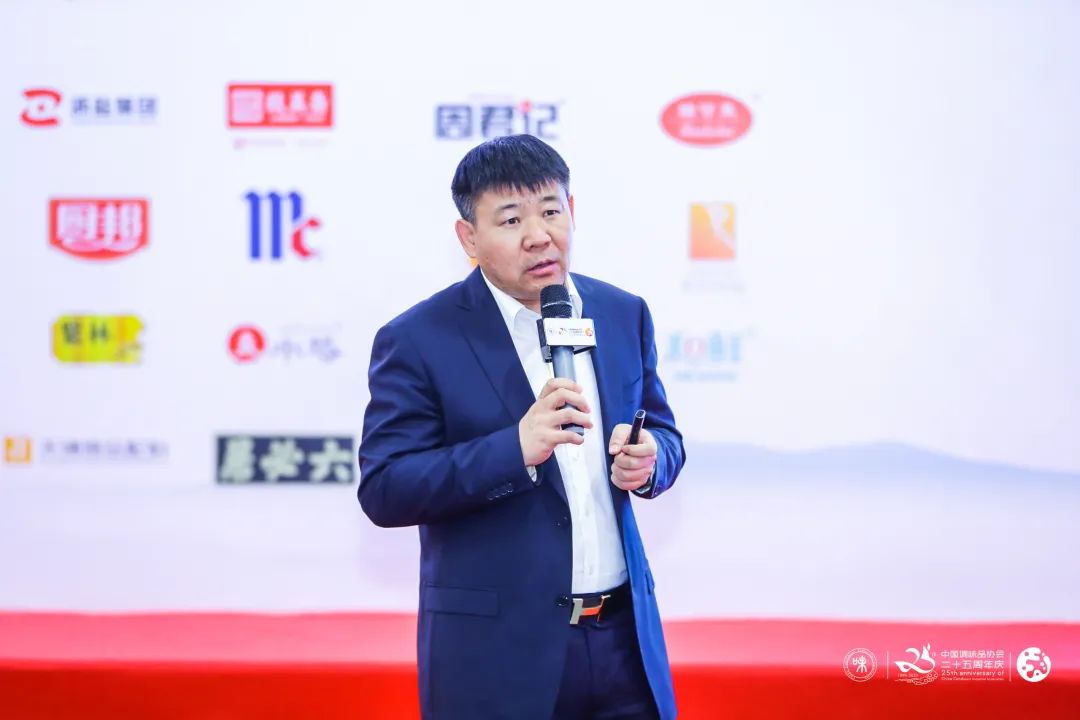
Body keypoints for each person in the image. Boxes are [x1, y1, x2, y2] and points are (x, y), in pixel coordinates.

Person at [358, 134, 685, 720]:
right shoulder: (418, 339)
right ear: (469, 238)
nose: (539, 235)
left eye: (551, 211)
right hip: (496, 658)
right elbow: (386, 487)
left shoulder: (621, 313)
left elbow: (664, 433)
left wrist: (651, 458)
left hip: (623, 644)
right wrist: (514, 448)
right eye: (511, 220)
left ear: (572, 211)